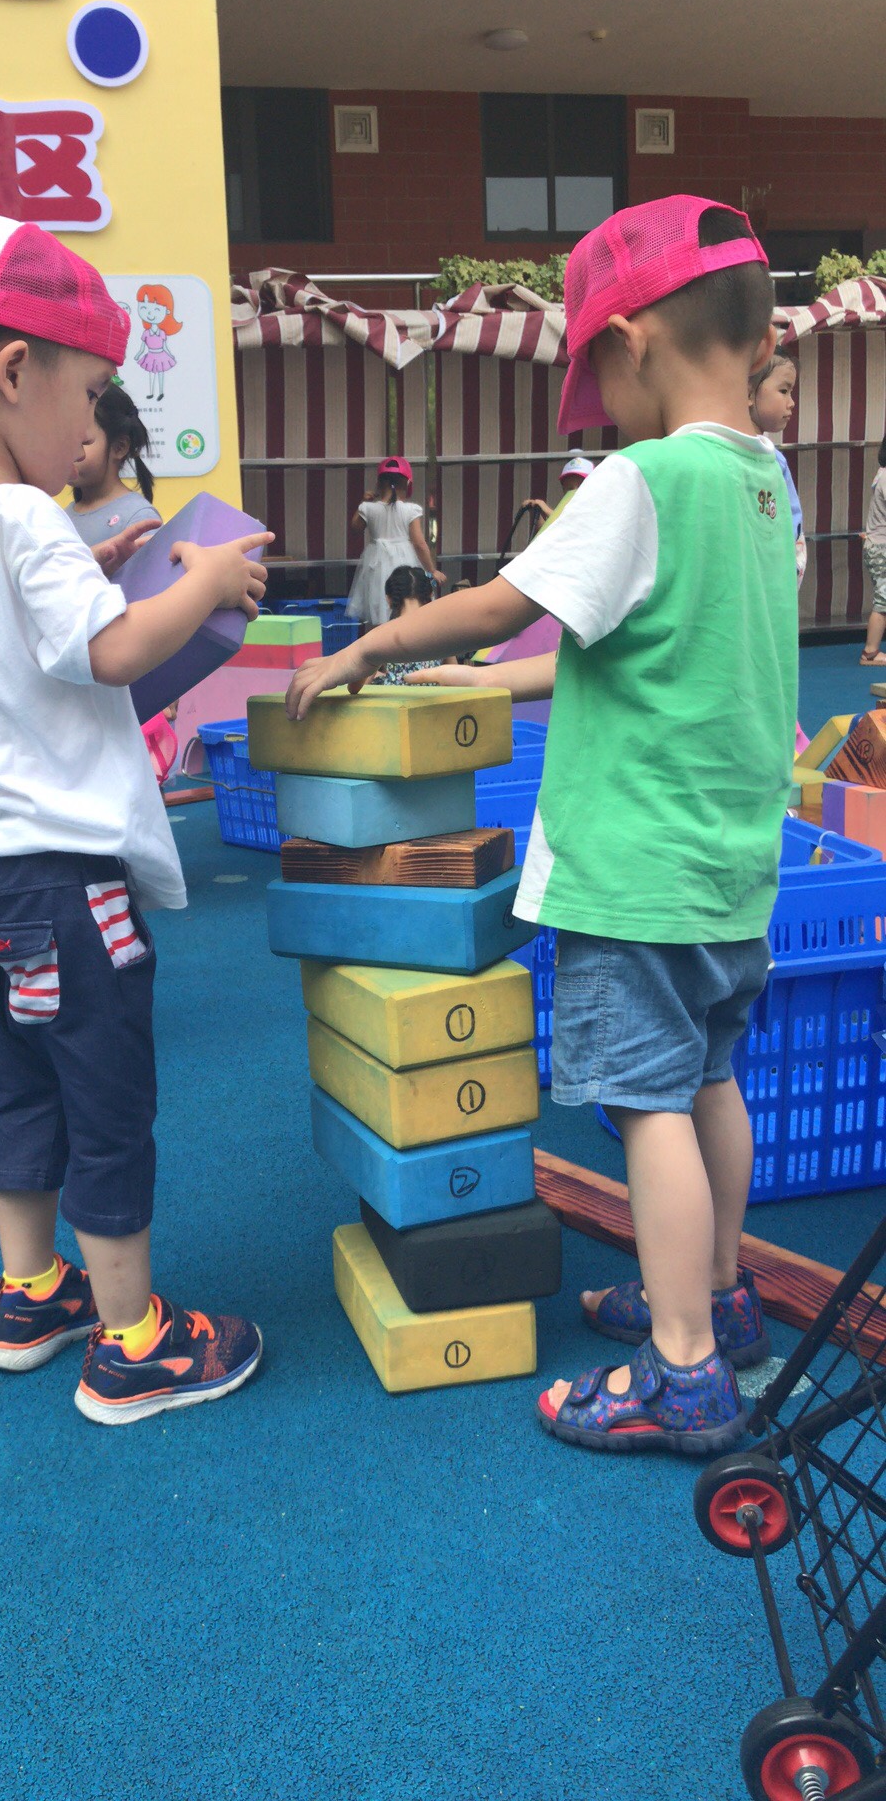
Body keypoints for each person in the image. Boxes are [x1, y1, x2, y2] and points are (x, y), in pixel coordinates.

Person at [285, 193, 797, 1458]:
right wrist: (488, 684)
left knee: (646, 1105)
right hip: (730, 869)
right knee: (711, 1080)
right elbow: (626, 649)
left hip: (632, 870)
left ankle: (683, 1371)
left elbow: (502, 606)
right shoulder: (765, 486)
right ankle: (718, 1296)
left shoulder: (644, 477)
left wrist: (373, 649)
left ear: (629, 341)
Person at [0, 212, 272, 1426]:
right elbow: (112, 650)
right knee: (108, 1100)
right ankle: (134, 1342)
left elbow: (22, 644)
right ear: (16, 370)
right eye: (85, 396)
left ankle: (28, 1294)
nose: (90, 432)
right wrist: (201, 578)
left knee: (29, 1089)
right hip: (69, 882)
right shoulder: (27, 519)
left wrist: (104, 565)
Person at [346, 456, 445, 625]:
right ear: (407, 483)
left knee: (378, 603)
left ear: (379, 483)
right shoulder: (410, 510)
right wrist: (432, 570)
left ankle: (380, 638)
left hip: (376, 562)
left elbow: (355, 528)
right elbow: (419, 544)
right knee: (407, 597)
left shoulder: (368, 508)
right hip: (404, 560)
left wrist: (363, 502)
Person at [68, 381, 161, 552]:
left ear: (119, 447)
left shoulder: (139, 516)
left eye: (83, 439)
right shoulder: (61, 517)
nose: (68, 449)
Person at [749, 351, 807, 589]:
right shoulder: (771, 462)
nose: (791, 402)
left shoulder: (775, 461)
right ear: (749, 392)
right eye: (784, 391)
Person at [375, 565, 437, 683]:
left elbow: (360, 684)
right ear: (430, 595)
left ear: (388, 599)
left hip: (394, 693)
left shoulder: (384, 633)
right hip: (434, 692)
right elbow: (454, 674)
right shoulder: (440, 630)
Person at [860, 439, 886, 667]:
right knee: (884, 600)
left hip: (877, 545)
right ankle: (870, 652)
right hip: (882, 547)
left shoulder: (882, 473)